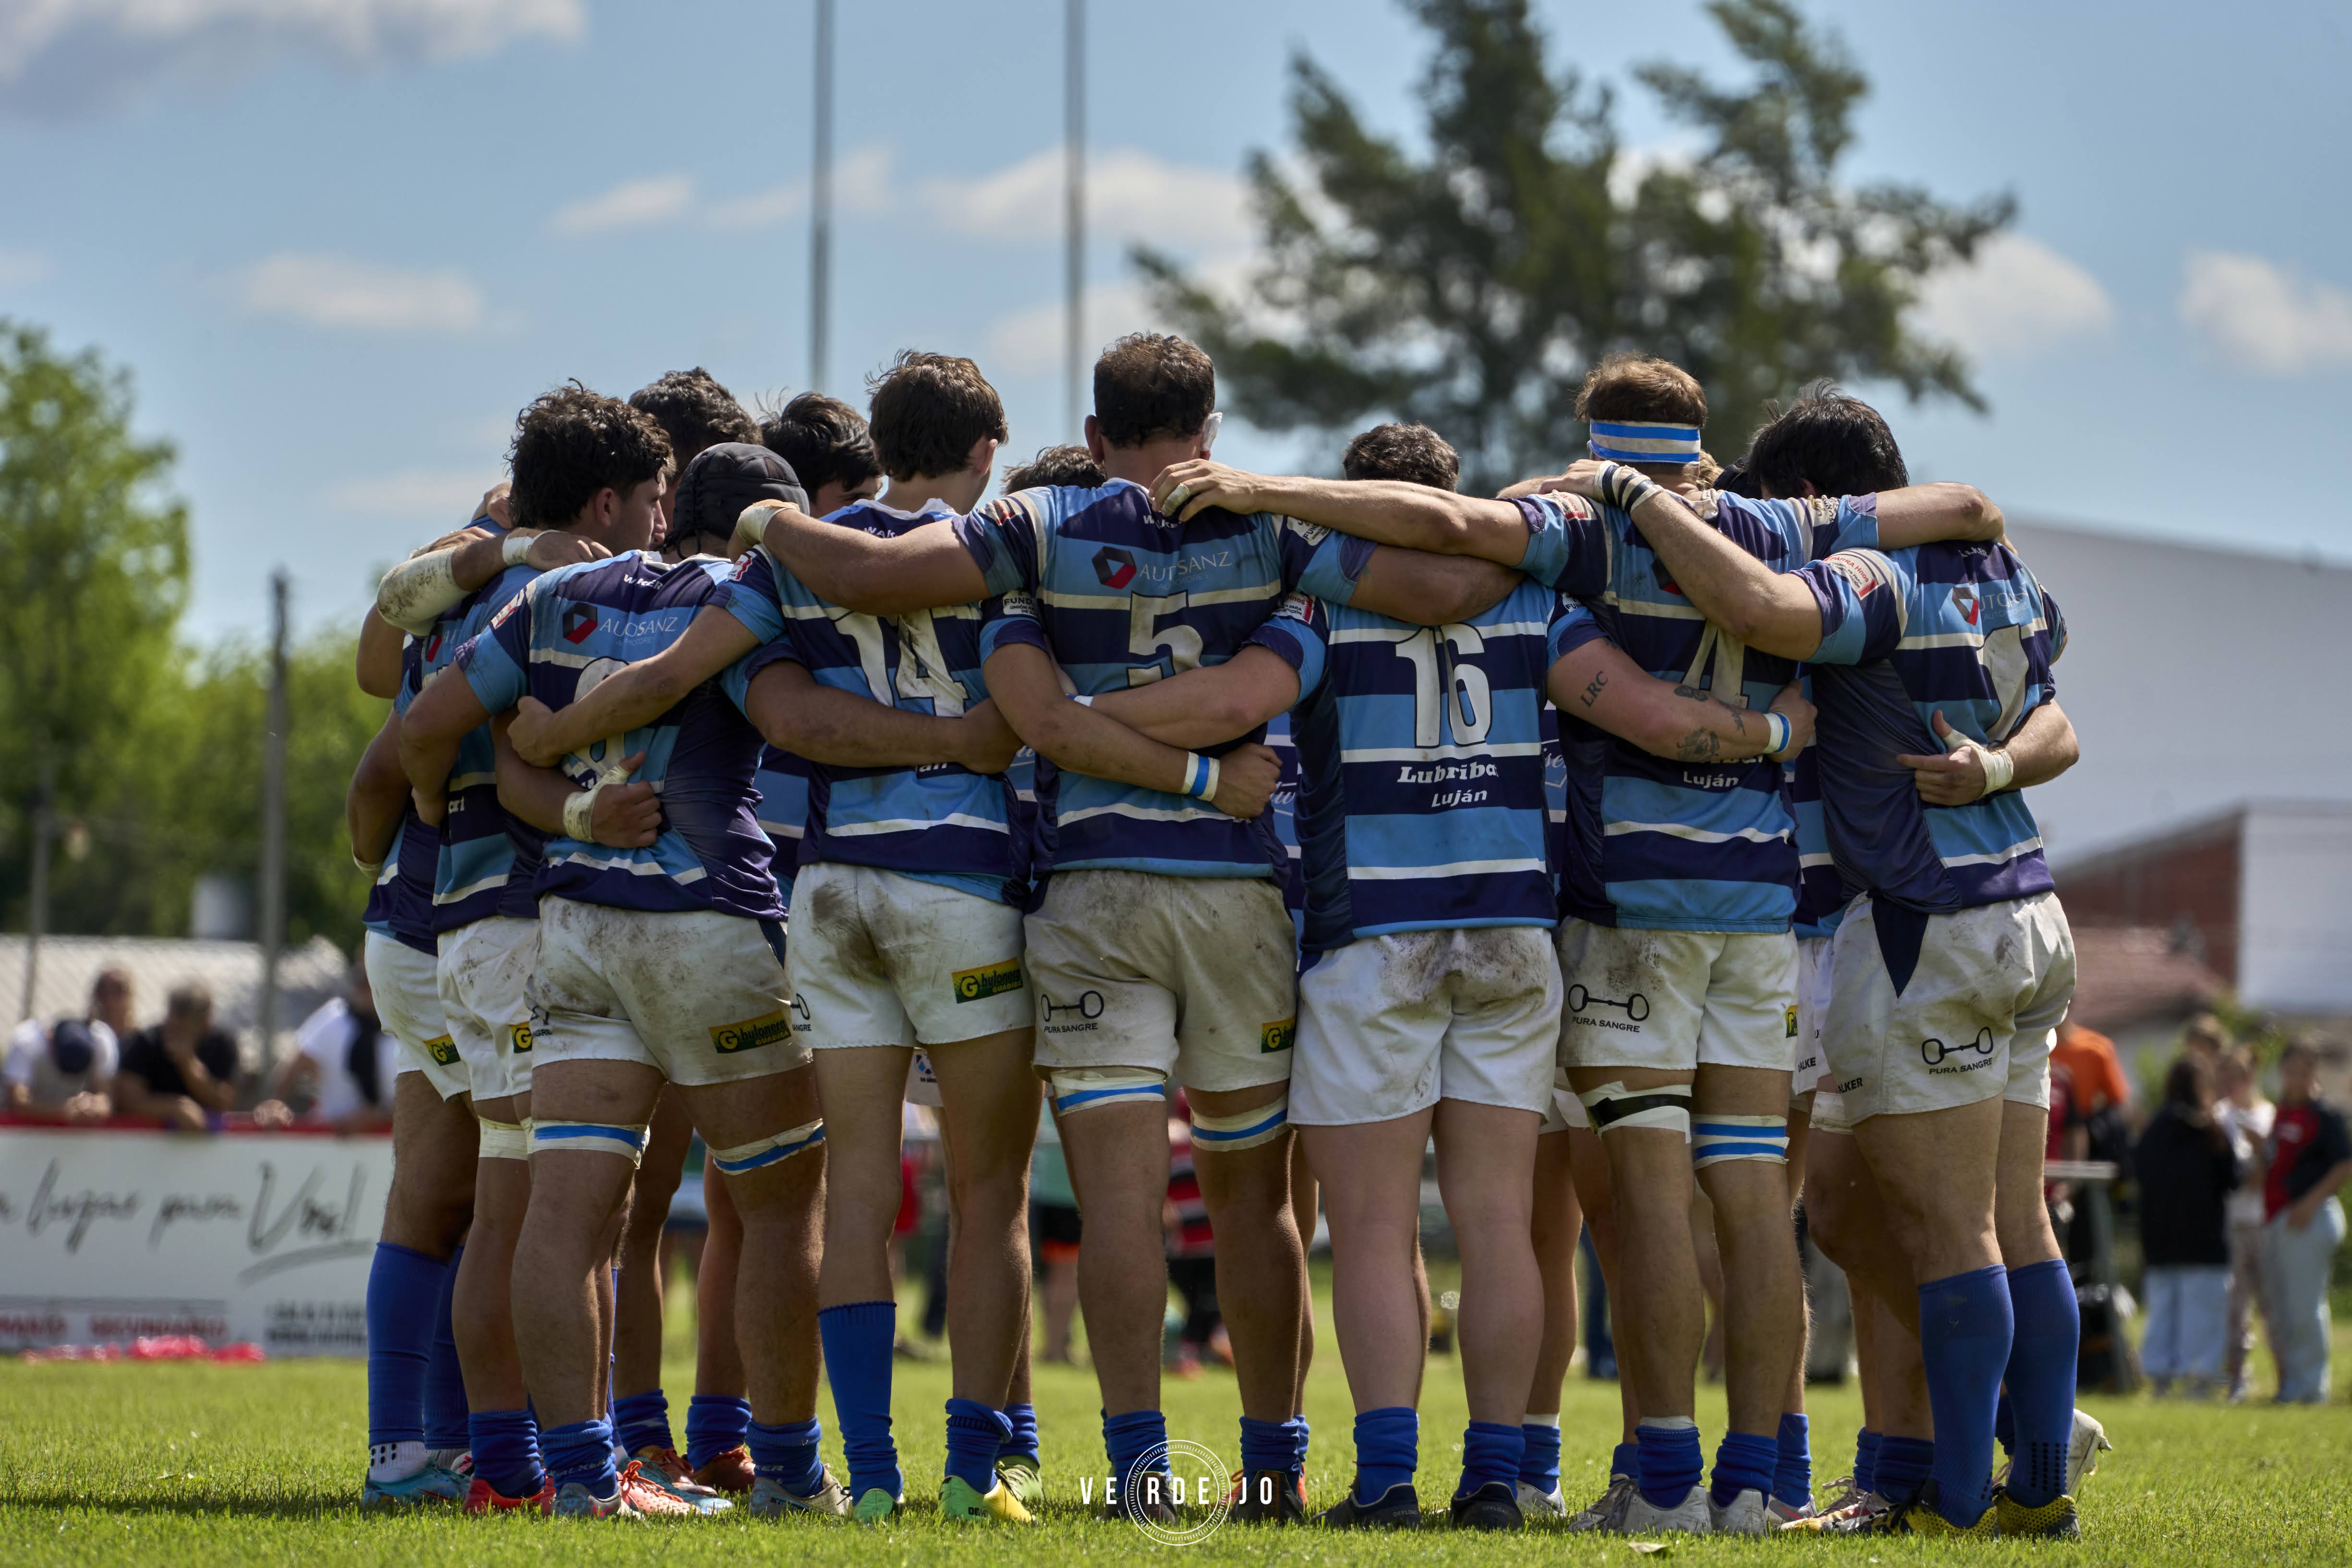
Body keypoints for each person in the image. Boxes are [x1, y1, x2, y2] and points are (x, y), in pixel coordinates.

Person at [514, 332, 1508, 1522]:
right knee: (1220, 1203)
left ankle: (942, 1475)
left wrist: (766, 525)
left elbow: (854, 655)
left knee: (1036, 1200)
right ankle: (1240, 1468)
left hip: (995, 893)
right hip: (1167, 890)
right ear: (1211, 429)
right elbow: (1417, 598)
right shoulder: (1269, 533)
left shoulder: (1030, 536)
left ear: (1090, 438)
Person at [1146, 359, 2000, 1537]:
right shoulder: (1749, 529)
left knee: (1570, 1212)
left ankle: (1570, 1477)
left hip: (1568, 919)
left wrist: (1088, 699)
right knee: (1730, 1205)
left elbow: (1405, 570)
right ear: (1697, 445)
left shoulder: (1551, 540)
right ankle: (1728, 1478)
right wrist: (1765, 729)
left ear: (1594, 447)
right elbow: (1947, 512)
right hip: (1720, 912)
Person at [1550, 386, 2084, 1538]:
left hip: (1910, 920)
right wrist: (1994, 772)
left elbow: (1757, 603)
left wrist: (1628, 493)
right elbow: (2057, 719)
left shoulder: (1870, 577)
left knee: (1942, 1226)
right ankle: (2007, 1463)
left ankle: (1959, 1488)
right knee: (1894, 1211)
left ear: (1818, 499)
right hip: (2025, 909)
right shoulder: (2004, 574)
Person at [406, 429, 839, 1521]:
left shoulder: (555, 597)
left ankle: (586, 1483)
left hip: (579, 925)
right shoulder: (750, 590)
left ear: (667, 505)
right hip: (707, 927)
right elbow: (788, 722)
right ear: (764, 521)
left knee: (566, 1213)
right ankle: (788, 1472)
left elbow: (428, 725)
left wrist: (522, 802)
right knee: (782, 1203)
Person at [705, 358, 1043, 1525]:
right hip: (956, 886)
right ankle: (966, 1474)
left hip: (833, 887)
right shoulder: (1000, 541)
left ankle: (872, 1474)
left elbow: (785, 714)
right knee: (988, 1190)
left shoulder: (796, 552)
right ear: (983, 451)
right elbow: (1021, 723)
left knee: (854, 1191)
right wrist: (954, 742)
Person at [2133, 1056, 2240, 1397]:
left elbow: (2137, 1172)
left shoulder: (2154, 1129)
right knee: (2202, 1314)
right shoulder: (2211, 1131)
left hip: (2160, 1240)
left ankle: (2160, 1380)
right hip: (2204, 1240)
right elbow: (2232, 1178)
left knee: (2163, 1312)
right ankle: (2200, 1380)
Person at [2262, 1041, 2351, 1404]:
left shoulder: (2324, 1115)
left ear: (2315, 1074)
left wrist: (2309, 1204)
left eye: (2304, 1070)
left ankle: (2313, 1388)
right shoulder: (2282, 1114)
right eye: (2290, 1070)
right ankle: (2292, 1385)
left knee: (2305, 1308)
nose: (2296, 1078)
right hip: (2282, 1219)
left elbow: (2344, 1165)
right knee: (2285, 1310)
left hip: (2311, 1218)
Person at [266, 958, 400, 1130]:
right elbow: (295, 1065)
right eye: (360, 980)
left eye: (370, 982)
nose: (363, 990)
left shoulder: (404, 1027)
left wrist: (376, 1115)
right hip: (333, 1140)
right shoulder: (334, 1017)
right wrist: (276, 1103)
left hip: (390, 1141)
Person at [2215, 1045, 2277, 1401]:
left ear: (2251, 1076)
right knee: (2234, 1305)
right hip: (2232, 1218)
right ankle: (2237, 1377)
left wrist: (2261, 1157)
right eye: (2226, 1075)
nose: (2232, 1083)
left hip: (2264, 1219)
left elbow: (2274, 1168)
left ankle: (2289, 1375)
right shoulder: (2220, 1115)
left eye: (2238, 1075)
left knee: (2271, 1301)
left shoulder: (2269, 1114)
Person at [5, 969, 128, 1123]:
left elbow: (107, 1098)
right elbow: (17, 1102)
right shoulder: (26, 1041)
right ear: (51, 1043)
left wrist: (94, 1107)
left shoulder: (102, 1039)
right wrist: (63, 1111)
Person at [114, 983, 239, 1129]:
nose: (173, 1032)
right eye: (172, 1023)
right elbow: (128, 1101)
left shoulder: (222, 1044)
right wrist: (174, 1108)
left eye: (183, 1028)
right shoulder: (145, 1042)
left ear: (206, 1023)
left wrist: (188, 1064)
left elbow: (224, 1102)